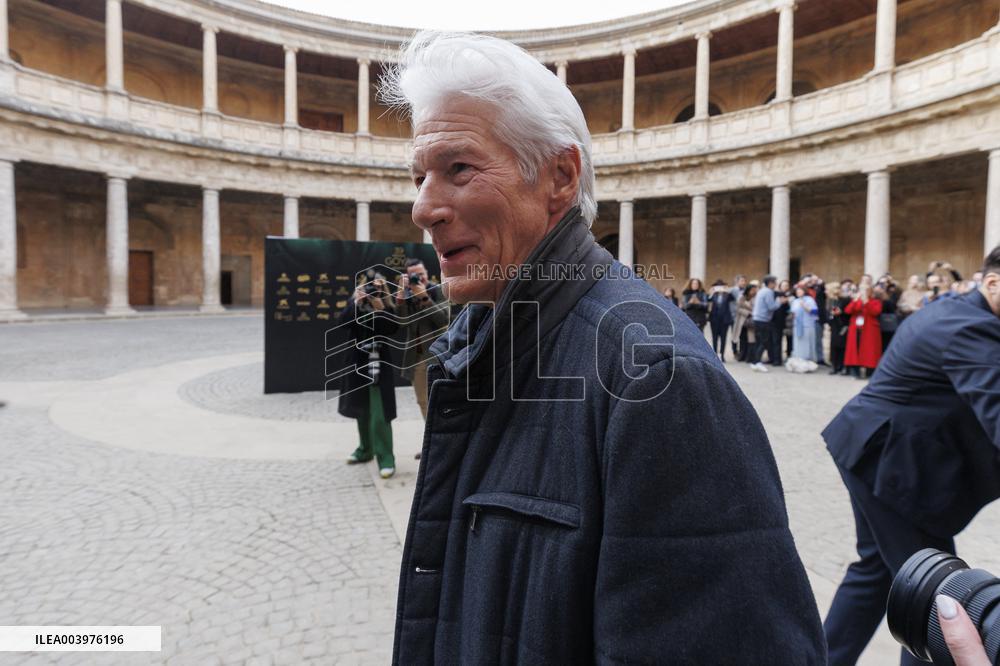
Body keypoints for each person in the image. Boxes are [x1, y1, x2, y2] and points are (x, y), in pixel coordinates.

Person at [382, 31, 825, 664]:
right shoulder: (485, 330)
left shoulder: (655, 377)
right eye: (419, 176)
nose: (424, 207)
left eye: (459, 168)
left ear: (560, 176)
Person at [821, 247, 1000, 666]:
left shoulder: (959, 310)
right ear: (993, 283)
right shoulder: (971, 329)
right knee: (939, 594)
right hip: (890, 465)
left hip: (871, 449)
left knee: (878, 573)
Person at [338, 273, 399, 478]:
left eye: (378, 288)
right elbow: (343, 322)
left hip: (378, 363)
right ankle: (365, 450)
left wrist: (380, 305)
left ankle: (386, 458)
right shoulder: (356, 303)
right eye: (371, 287)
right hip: (357, 363)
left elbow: (393, 327)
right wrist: (357, 301)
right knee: (360, 408)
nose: (374, 291)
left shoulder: (386, 306)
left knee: (380, 412)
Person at [395, 258, 451, 460]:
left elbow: (443, 319)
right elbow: (401, 323)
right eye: (414, 275)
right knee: (423, 402)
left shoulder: (438, 291)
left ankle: (442, 445)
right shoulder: (408, 295)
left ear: (427, 271)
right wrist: (401, 298)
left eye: (422, 273)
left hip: (437, 357)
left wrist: (425, 298)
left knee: (440, 402)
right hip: (416, 358)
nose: (420, 277)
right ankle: (432, 444)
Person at [844, 283, 882, 379]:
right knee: (855, 349)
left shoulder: (875, 301)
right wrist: (856, 301)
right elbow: (848, 311)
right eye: (861, 290)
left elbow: (875, 312)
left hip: (869, 329)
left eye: (865, 290)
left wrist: (866, 302)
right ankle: (856, 371)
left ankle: (870, 371)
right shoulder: (856, 300)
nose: (863, 292)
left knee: (869, 351)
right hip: (856, 329)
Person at [750, 275, 785, 372]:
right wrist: (779, 301)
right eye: (775, 282)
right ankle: (757, 362)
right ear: (770, 283)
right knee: (763, 342)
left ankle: (754, 362)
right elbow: (771, 307)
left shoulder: (761, 291)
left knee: (758, 341)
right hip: (763, 320)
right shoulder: (768, 292)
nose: (776, 284)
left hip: (757, 319)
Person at [789, 285, 819, 366]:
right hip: (797, 326)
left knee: (807, 344)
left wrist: (805, 307)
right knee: (798, 344)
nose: (798, 292)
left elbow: (815, 312)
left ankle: (808, 361)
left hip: (807, 325)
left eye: (800, 290)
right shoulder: (795, 301)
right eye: (797, 291)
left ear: (804, 291)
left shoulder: (809, 300)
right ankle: (799, 360)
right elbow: (793, 312)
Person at [707, 278, 734, 361]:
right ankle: (715, 355)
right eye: (717, 286)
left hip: (725, 320)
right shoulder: (713, 295)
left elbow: (733, 298)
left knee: (723, 338)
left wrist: (727, 291)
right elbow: (708, 299)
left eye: (721, 286)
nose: (719, 288)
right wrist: (711, 292)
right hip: (714, 319)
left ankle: (722, 355)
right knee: (714, 338)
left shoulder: (727, 295)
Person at [827, 282, 850, 375]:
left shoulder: (846, 299)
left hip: (843, 325)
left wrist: (842, 312)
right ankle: (834, 366)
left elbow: (848, 312)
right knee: (834, 346)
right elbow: (828, 312)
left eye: (838, 288)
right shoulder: (830, 300)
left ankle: (843, 366)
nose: (837, 290)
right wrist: (831, 315)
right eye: (835, 288)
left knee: (843, 346)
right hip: (834, 325)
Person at [729, 274, 747, 358]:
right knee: (735, 334)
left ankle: (742, 352)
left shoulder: (746, 290)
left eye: (744, 281)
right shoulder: (733, 290)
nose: (744, 283)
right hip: (735, 316)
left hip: (743, 316)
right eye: (742, 281)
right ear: (737, 282)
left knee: (743, 335)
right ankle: (735, 351)